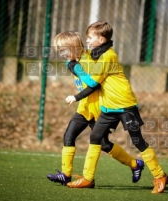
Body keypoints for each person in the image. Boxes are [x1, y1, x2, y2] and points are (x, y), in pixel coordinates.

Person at [67, 21, 168, 194]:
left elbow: (92, 82)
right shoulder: (97, 54)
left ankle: (160, 176)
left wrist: (75, 78)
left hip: (125, 105)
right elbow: (84, 63)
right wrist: (72, 58)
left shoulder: (108, 56)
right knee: (95, 136)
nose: (88, 40)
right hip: (108, 107)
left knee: (137, 140)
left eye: (90, 37)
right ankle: (87, 178)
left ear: (101, 38)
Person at [46, 31, 144, 187]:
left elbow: (94, 84)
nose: (61, 54)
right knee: (68, 136)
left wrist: (76, 87)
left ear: (74, 47)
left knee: (104, 145)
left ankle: (135, 164)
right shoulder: (71, 62)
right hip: (84, 109)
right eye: (59, 50)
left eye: (63, 50)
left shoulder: (90, 60)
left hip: (99, 109)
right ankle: (65, 175)